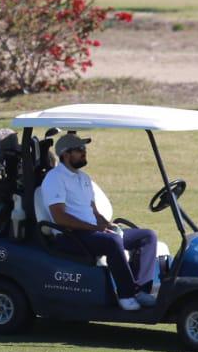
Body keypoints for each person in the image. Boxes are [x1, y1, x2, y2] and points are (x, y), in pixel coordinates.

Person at [39, 132, 158, 311]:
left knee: (147, 236)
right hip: (70, 235)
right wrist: (96, 228)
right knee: (112, 242)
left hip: (91, 232)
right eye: (79, 149)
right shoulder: (54, 178)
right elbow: (60, 218)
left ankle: (141, 291)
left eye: (84, 148)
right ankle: (126, 295)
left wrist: (107, 225)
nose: (84, 152)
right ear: (65, 154)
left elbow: (93, 211)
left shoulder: (84, 178)